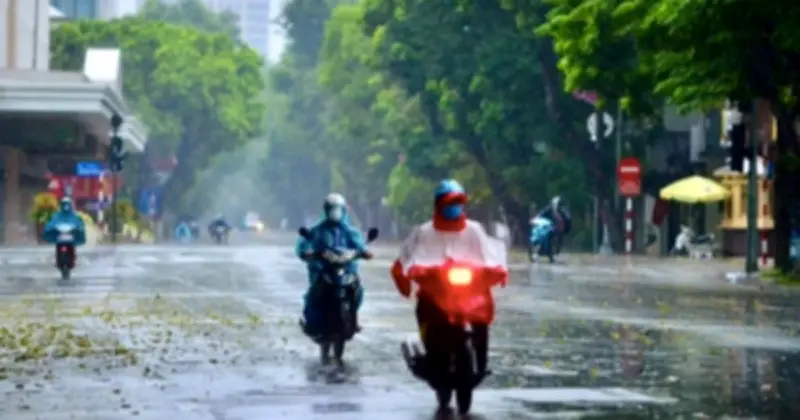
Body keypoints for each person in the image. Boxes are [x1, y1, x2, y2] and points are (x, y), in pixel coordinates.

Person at [389, 179, 508, 380]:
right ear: (438, 204)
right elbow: (405, 260)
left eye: (457, 203)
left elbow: (490, 255)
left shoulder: (474, 230)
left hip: (469, 293)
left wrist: (498, 271)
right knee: (425, 309)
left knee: (481, 320)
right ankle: (428, 352)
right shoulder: (424, 232)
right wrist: (411, 275)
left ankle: (481, 361)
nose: (453, 207)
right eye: (449, 203)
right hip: (435, 292)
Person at [296, 193, 372, 337]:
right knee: (313, 295)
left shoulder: (351, 231)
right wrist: (309, 254)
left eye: (337, 208)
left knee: (358, 291)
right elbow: (304, 246)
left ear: (343, 210)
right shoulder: (317, 230)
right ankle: (310, 323)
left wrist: (364, 253)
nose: (335, 212)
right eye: (332, 208)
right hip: (323, 269)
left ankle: (354, 318)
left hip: (346, 269)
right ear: (326, 210)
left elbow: (361, 246)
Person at [43, 197, 86, 266]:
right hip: (60, 235)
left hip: (70, 234)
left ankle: (73, 259)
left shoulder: (74, 215)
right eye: (64, 204)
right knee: (58, 246)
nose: (66, 206)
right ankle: (58, 261)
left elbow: (79, 223)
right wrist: (51, 227)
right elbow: (51, 222)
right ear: (61, 205)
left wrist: (79, 227)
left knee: (73, 245)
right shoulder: (57, 215)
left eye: (67, 204)